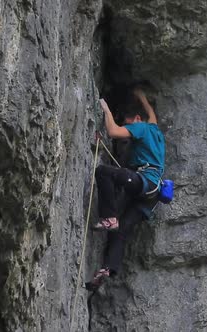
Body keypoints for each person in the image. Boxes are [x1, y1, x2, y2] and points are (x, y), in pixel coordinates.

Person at [85, 88, 165, 291]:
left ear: (137, 118)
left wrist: (106, 110)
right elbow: (152, 115)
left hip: (144, 182)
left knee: (104, 172)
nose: (128, 131)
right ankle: (107, 269)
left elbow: (113, 132)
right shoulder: (155, 129)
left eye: (128, 124)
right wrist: (142, 96)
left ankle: (109, 217)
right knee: (120, 233)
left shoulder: (142, 127)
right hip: (150, 196)